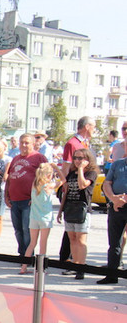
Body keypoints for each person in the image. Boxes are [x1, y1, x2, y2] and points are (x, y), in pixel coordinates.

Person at [57, 148, 98, 280]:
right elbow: (66, 191)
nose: (77, 161)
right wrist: (60, 210)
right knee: (72, 238)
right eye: (75, 158)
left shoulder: (91, 173)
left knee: (81, 240)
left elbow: (82, 185)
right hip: (70, 208)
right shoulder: (71, 173)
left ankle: (81, 267)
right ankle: (74, 265)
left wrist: (81, 170)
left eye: (81, 158)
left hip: (82, 209)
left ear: (87, 159)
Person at [59, 116, 95, 265]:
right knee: (71, 233)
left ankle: (77, 263)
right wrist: (64, 185)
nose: (94, 130)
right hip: (71, 189)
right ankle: (67, 259)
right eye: (93, 126)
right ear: (87, 126)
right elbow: (66, 166)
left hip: (82, 200)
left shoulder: (84, 143)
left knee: (78, 235)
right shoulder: (72, 143)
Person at [4, 133, 47, 257]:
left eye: (27, 143)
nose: (23, 145)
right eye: (21, 142)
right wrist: (6, 195)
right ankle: (22, 253)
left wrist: (37, 197)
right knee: (18, 230)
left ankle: (28, 255)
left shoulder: (39, 158)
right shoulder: (15, 158)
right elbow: (10, 178)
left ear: (33, 144)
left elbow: (45, 179)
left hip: (29, 200)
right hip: (14, 200)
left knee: (27, 229)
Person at [20, 163, 57, 274]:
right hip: (45, 218)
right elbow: (63, 180)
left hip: (34, 217)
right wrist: (56, 169)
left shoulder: (35, 184)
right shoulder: (49, 186)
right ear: (49, 175)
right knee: (43, 243)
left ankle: (23, 267)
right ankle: (40, 269)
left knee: (32, 243)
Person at [98, 154, 127, 284]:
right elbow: (107, 183)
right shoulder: (117, 164)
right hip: (117, 207)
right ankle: (112, 275)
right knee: (114, 243)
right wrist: (113, 198)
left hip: (121, 203)